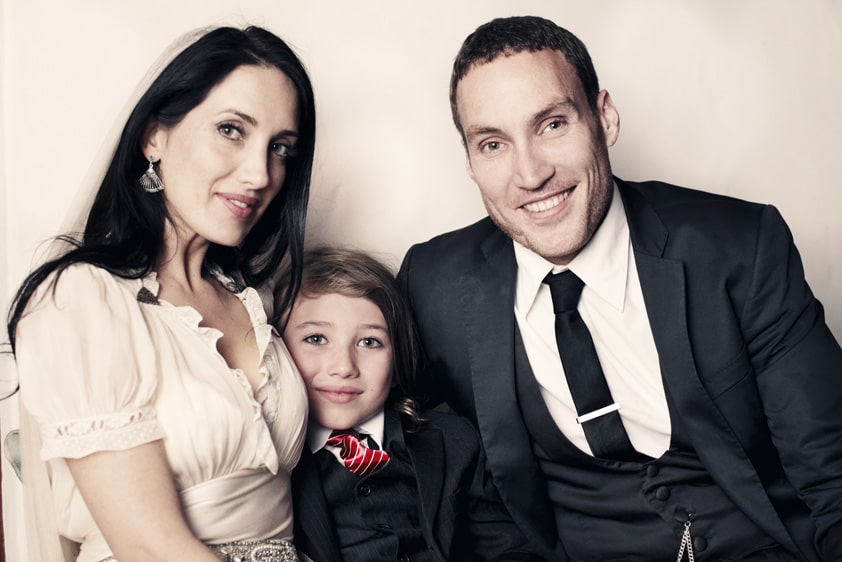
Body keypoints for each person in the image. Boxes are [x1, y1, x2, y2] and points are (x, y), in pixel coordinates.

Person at [398, 15, 842, 562]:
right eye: (493, 143)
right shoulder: (433, 283)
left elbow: (831, 470)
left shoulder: (740, 247)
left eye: (552, 124)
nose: (530, 174)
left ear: (603, 117)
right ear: (469, 161)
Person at [5, 24, 316, 562]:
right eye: (231, 130)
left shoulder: (256, 300)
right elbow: (149, 545)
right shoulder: (82, 300)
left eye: (280, 149)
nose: (260, 174)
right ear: (154, 136)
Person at [277, 246, 543, 562]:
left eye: (369, 342)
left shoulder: (454, 441)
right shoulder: (272, 460)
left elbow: (511, 549)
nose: (344, 366)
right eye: (316, 339)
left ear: (398, 362)